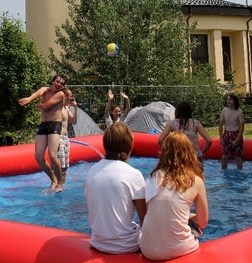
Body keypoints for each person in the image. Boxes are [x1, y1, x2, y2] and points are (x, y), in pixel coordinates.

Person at [140, 131, 208, 261]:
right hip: (180, 248)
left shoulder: (153, 177)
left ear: (164, 152)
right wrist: (189, 217)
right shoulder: (195, 181)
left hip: (147, 249)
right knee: (195, 229)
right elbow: (203, 222)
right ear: (189, 152)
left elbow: (152, 211)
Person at [84, 122, 146, 254]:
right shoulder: (133, 174)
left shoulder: (91, 172)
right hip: (127, 246)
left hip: (97, 243)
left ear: (105, 145)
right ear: (130, 145)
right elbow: (145, 220)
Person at [18, 74, 66, 192]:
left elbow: (46, 106)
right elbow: (37, 93)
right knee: (38, 156)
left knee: (52, 155)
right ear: (52, 81)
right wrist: (29, 99)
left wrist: (40, 105)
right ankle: (53, 179)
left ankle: (60, 182)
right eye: (57, 81)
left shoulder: (60, 94)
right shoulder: (45, 89)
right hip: (44, 125)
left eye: (62, 83)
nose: (59, 84)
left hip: (55, 124)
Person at [159, 101, 212, 167]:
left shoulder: (171, 124)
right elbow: (209, 140)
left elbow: (160, 140)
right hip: (194, 157)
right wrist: (201, 153)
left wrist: (168, 151)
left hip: (178, 157)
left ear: (177, 111)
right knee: (198, 176)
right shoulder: (195, 123)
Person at [219, 93, 244, 170]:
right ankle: (223, 172)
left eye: (230, 99)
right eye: (227, 99)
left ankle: (239, 173)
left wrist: (237, 139)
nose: (228, 101)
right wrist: (221, 137)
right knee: (224, 156)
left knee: (238, 157)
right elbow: (220, 125)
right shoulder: (224, 110)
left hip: (235, 134)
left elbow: (242, 127)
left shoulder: (239, 112)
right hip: (226, 134)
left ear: (235, 101)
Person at [57, 88, 78, 183]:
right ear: (64, 96)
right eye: (70, 95)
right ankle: (57, 184)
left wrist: (76, 108)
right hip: (58, 137)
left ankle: (62, 185)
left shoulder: (66, 108)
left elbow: (74, 121)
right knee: (60, 164)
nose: (71, 97)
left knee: (65, 166)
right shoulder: (58, 108)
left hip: (66, 138)